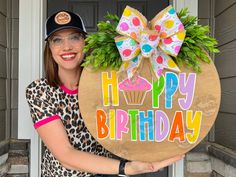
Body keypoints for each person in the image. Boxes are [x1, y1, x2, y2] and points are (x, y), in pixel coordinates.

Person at [25, 10, 184, 177]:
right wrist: (126, 168)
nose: (67, 47)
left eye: (74, 37)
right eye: (57, 40)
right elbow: (65, 155)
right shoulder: (39, 91)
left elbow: (134, 118)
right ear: (49, 48)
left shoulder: (104, 83)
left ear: (85, 42)